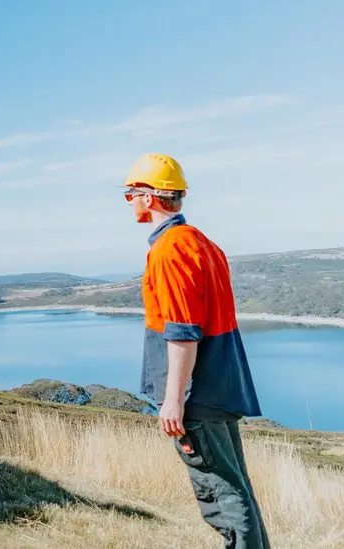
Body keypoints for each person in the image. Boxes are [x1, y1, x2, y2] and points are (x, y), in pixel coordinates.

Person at [125, 153, 269, 549]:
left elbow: (184, 332)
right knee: (236, 489)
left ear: (151, 197)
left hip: (197, 396)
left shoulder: (169, 249)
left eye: (130, 192)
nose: (129, 200)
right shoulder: (202, 243)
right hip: (220, 386)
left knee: (221, 496)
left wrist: (173, 400)